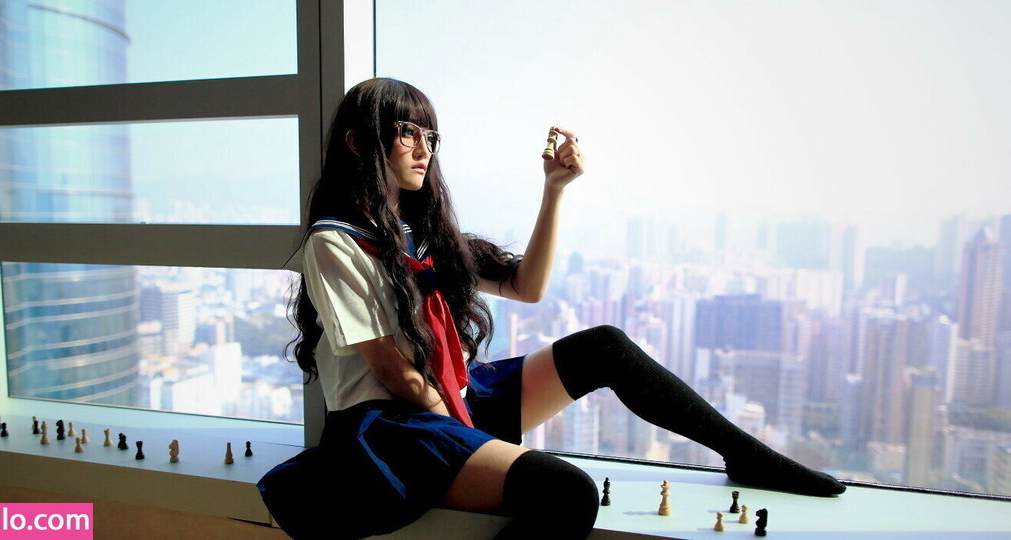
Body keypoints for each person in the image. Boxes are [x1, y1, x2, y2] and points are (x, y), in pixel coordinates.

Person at [257, 78, 845, 540]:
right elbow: (394, 372)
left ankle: (746, 455)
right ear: (360, 142)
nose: (424, 148)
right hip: (393, 426)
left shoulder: (421, 234)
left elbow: (527, 286)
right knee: (568, 493)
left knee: (605, 347)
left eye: (431, 136)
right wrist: (467, 433)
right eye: (407, 132)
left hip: (450, 396)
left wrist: (554, 188)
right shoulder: (334, 242)